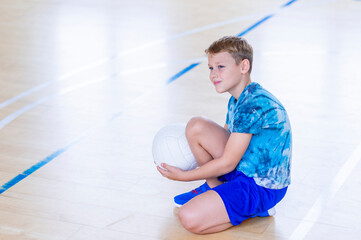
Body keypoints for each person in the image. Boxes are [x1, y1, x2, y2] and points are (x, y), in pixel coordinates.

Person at [157, 36, 292, 234]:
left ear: (244, 66)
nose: (214, 74)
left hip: (262, 186)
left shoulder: (253, 104)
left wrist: (184, 176)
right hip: (245, 169)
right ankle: (215, 188)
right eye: (211, 68)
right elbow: (227, 139)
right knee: (196, 125)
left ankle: (256, 209)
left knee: (189, 217)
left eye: (221, 66)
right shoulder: (238, 98)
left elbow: (228, 162)